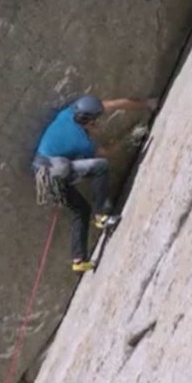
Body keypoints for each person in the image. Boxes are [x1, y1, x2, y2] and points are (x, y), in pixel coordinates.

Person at [32, 94, 157, 273]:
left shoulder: (69, 113)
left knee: (81, 210)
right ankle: (101, 215)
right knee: (100, 166)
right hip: (54, 172)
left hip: (43, 170)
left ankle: (79, 260)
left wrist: (145, 104)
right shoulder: (80, 140)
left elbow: (112, 104)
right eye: (95, 121)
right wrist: (130, 137)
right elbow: (105, 153)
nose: (97, 123)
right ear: (87, 121)